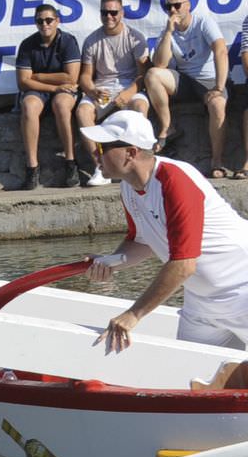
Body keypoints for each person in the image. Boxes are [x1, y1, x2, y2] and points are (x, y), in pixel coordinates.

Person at [83, 109, 248, 353]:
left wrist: (134, 314)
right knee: (191, 380)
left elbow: (184, 265)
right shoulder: (129, 188)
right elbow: (142, 242)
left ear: (130, 153)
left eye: (101, 148)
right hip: (201, 303)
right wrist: (109, 262)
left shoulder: (176, 181)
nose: (95, 156)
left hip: (242, 292)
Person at [147, 0, 228, 174]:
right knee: (153, 74)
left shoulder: (203, 22)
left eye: (177, 5)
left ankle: (217, 161)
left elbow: (221, 51)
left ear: (188, 5)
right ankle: (167, 126)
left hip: (209, 79)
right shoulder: (167, 30)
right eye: (169, 6)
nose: (173, 10)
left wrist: (219, 87)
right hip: (185, 80)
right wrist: (168, 32)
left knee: (217, 105)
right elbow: (160, 63)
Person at [77, 0, 151, 186]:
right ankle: (100, 166)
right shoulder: (92, 40)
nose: (109, 16)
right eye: (104, 12)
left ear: (122, 13)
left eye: (113, 12)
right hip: (102, 89)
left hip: (129, 86)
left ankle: (138, 162)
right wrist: (92, 90)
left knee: (140, 106)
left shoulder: (135, 37)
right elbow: (85, 76)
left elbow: (144, 74)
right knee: (82, 112)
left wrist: (128, 93)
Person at [12, 3, 82, 190]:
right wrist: (53, 87)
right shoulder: (28, 44)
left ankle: (70, 162)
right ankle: (32, 167)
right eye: (40, 21)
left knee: (61, 105)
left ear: (57, 21)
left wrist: (39, 76)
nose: (45, 24)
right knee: (28, 106)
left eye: (49, 20)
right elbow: (23, 82)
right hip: (44, 90)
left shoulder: (68, 41)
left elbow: (71, 77)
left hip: (64, 88)